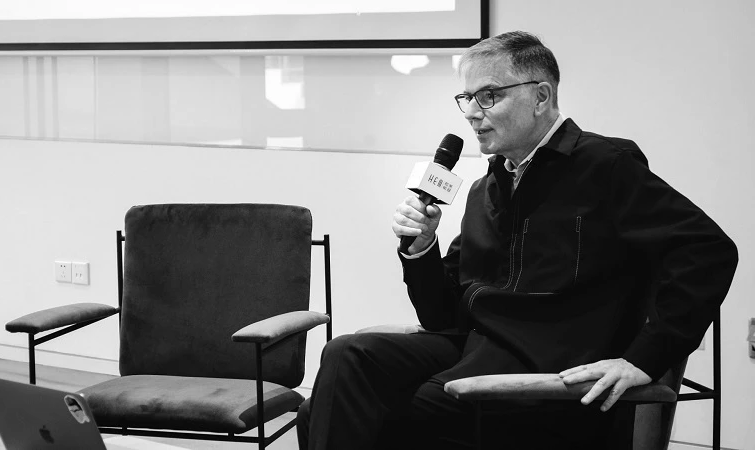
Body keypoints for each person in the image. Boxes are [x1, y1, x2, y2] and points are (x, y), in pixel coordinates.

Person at [296, 31, 738, 449]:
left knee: (369, 416)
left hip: (545, 372)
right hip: (474, 349)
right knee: (346, 356)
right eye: (466, 98)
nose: (471, 112)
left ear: (541, 96)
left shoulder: (604, 164)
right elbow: (441, 315)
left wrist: (644, 358)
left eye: (489, 95)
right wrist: (422, 248)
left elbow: (707, 250)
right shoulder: (485, 189)